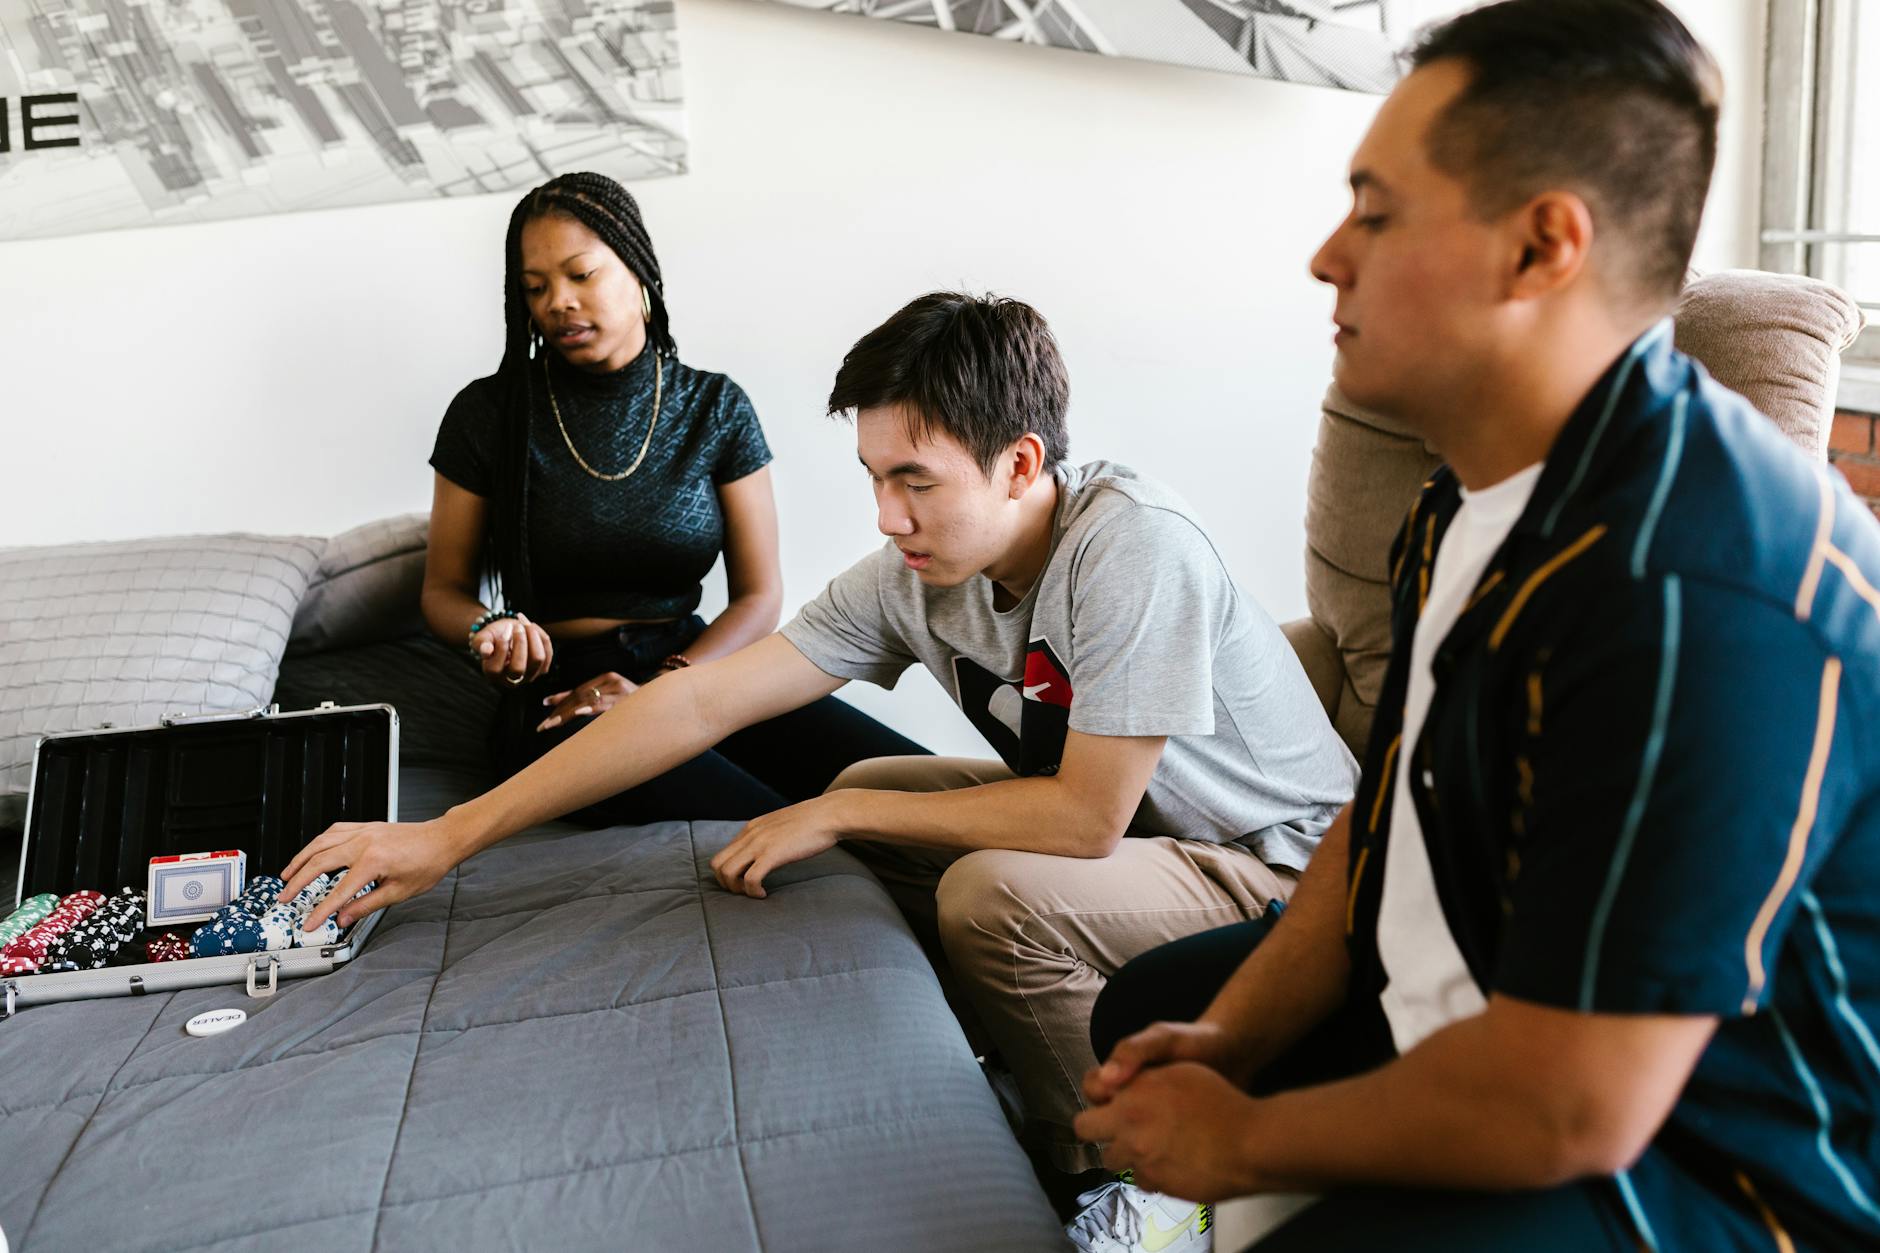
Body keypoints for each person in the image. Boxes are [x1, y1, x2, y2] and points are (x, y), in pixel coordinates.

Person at [1074, 2, 1880, 1250]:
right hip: (1511, 984)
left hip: (1721, 1159)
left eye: (1374, 212)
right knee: (1148, 1013)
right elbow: (1389, 810)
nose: (1325, 257)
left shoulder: (1694, 589)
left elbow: (1573, 1104)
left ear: (1539, 246)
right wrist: (1231, 1037)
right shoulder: (1469, 492)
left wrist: (1239, 1137)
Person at [285, 291, 1357, 1199]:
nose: (887, 515)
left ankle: (1124, 1186)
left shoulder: (1130, 550)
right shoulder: (914, 576)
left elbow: (1085, 819)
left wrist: (836, 811)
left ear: (1019, 462)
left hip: (1291, 873)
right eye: (874, 476)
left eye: (916, 480)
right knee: (871, 780)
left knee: (976, 886)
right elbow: (695, 705)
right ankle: (1007, 1035)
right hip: (1150, 846)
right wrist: (446, 836)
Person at [420, 171, 924, 821]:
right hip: (559, 696)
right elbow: (443, 592)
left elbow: (758, 597)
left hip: (695, 665)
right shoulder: (487, 414)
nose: (558, 302)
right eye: (535, 288)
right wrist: (489, 630)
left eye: (581, 274)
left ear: (639, 272)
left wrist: (665, 686)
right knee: (776, 821)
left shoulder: (715, 407)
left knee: (901, 785)